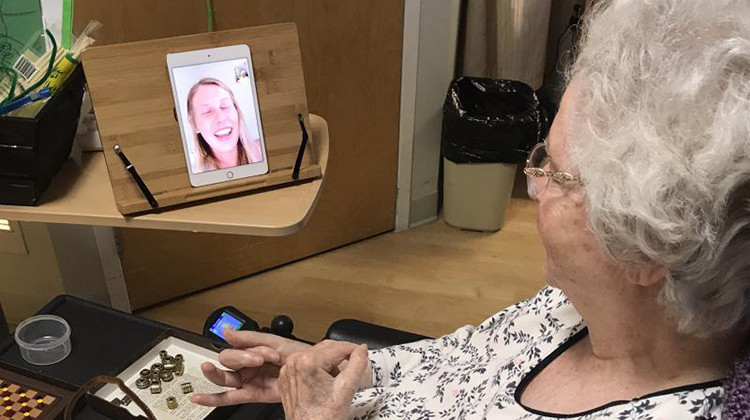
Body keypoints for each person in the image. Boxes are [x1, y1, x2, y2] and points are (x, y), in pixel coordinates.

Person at [190, 0, 750, 418]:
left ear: (653, 245)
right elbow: (454, 366)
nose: (531, 184)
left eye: (553, 171)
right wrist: (331, 370)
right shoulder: (584, 306)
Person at [186, 77, 263, 172]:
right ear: (194, 124)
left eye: (225, 106)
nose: (221, 117)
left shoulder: (266, 152)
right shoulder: (196, 174)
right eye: (207, 111)